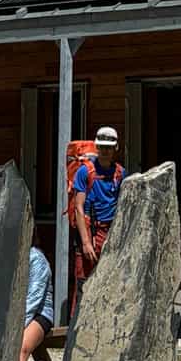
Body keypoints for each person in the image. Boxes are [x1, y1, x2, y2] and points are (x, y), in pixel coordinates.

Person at [69, 127, 126, 299]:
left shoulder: (120, 173)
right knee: (84, 284)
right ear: (97, 147)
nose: (105, 151)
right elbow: (79, 207)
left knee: (111, 282)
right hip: (90, 231)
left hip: (112, 233)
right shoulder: (84, 172)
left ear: (115, 148)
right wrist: (86, 242)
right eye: (102, 147)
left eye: (109, 147)